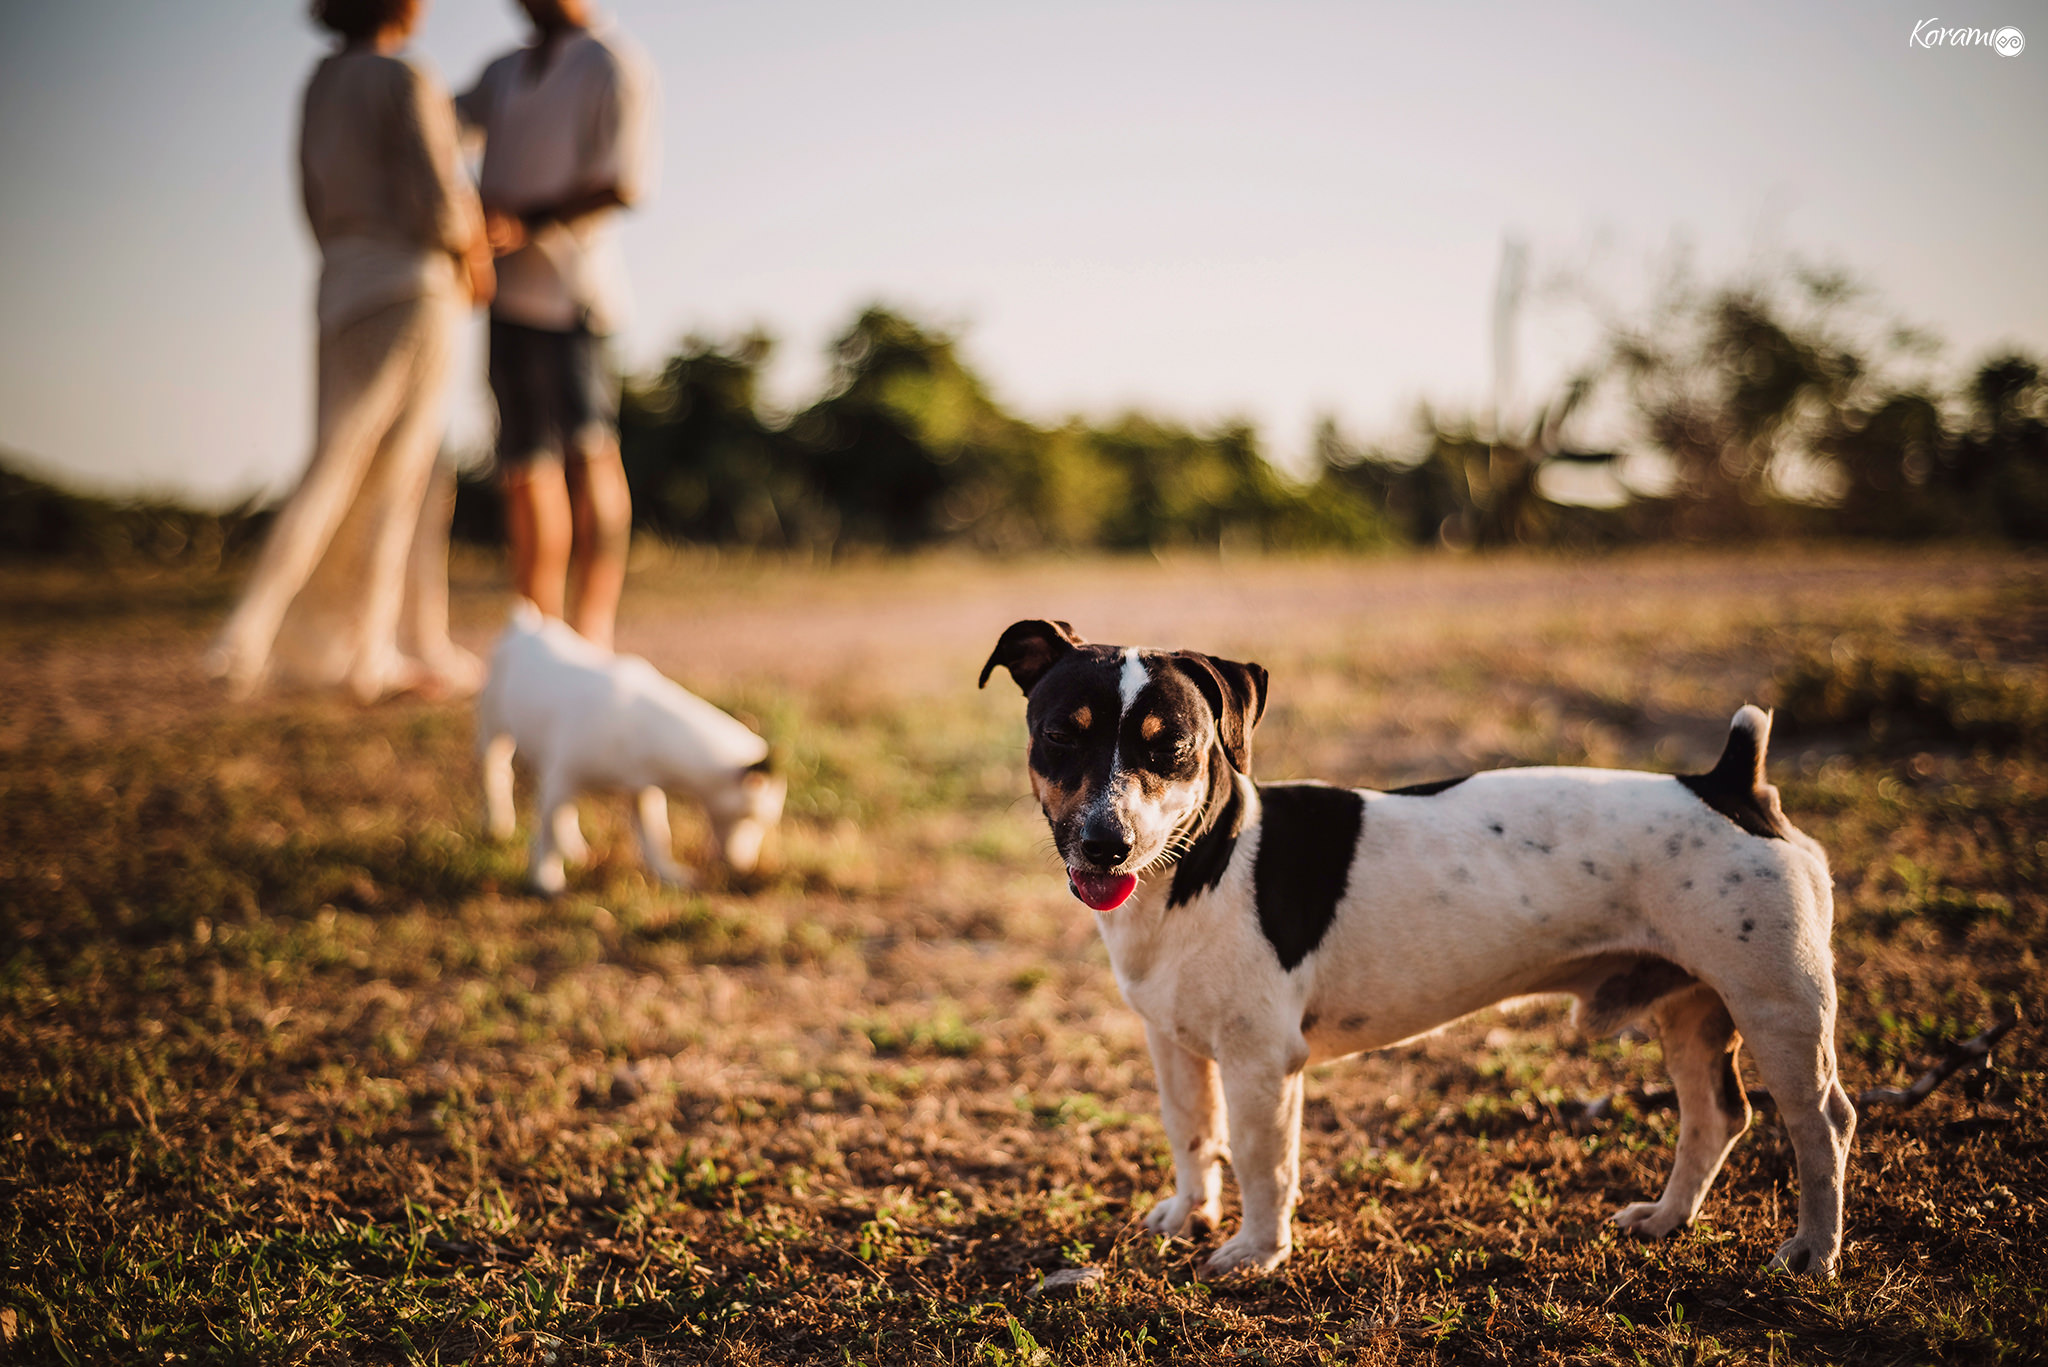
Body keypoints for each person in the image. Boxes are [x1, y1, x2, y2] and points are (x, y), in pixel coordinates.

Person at [207, 0, 493, 703]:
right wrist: (474, 254)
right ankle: (325, 647)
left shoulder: (320, 83)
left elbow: (309, 195)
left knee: (347, 463)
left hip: (340, 285)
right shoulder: (407, 79)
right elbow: (438, 193)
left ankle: (292, 638)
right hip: (413, 287)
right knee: (393, 474)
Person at [458, 0, 654, 652]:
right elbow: (439, 129)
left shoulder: (612, 63)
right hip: (505, 296)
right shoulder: (503, 70)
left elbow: (623, 182)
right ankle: (539, 635)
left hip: (575, 295)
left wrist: (526, 221)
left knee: (589, 449)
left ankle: (592, 630)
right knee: (522, 463)